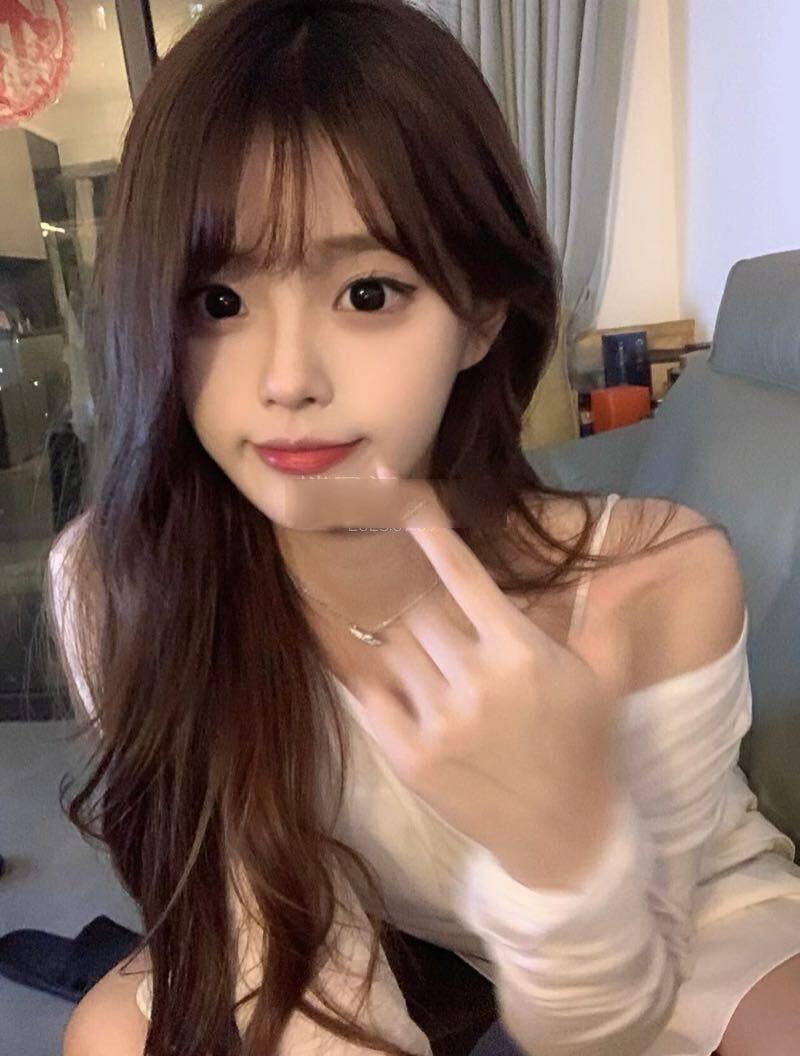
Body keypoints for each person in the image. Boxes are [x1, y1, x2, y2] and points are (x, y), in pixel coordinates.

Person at [44, 1, 800, 1055]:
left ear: (480, 315)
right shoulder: (123, 578)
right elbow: (270, 924)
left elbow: (610, 1021)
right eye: (217, 302)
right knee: (103, 1034)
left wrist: (563, 850)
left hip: (664, 922)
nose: (286, 381)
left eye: (367, 292)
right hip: (390, 927)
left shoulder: (656, 579)